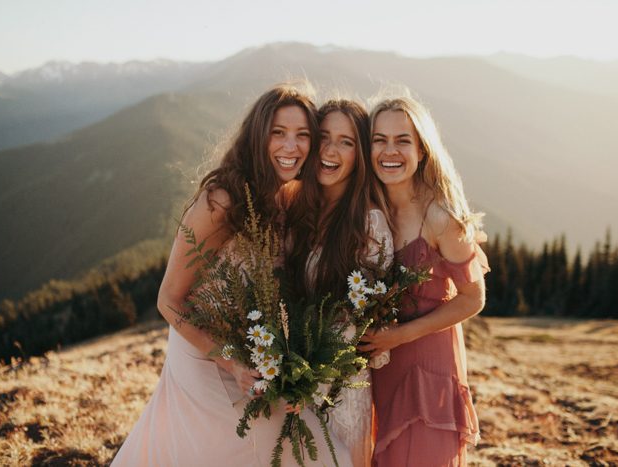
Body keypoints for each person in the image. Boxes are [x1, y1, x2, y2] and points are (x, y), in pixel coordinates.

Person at [111, 83, 323, 467]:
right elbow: (168, 301)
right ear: (258, 137)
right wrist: (232, 362)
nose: (291, 147)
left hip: (253, 355)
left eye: (302, 135)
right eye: (278, 133)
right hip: (205, 357)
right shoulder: (221, 201)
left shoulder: (288, 197)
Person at [358, 95, 489, 467]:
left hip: (429, 367)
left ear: (421, 150)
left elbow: (472, 298)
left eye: (402, 140)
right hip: (384, 365)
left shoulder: (439, 214)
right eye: (379, 140)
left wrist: (399, 335)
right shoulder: (371, 205)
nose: (390, 151)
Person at [285, 98, 394, 467]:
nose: (331, 151)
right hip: (288, 380)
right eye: (324, 137)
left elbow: (369, 323)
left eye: (346, 142)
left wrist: (313, 377)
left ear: (360, 153)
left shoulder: (370, 224)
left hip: (340, 389)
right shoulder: (296, 211)